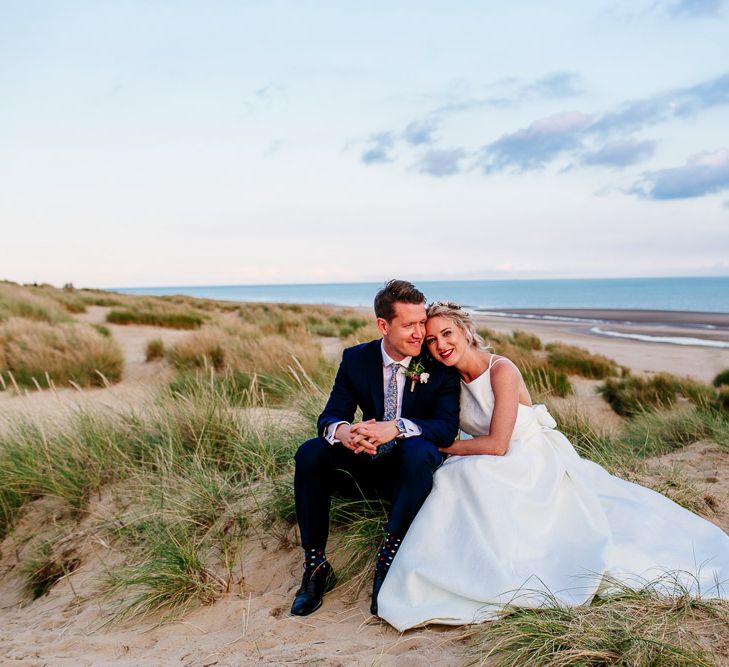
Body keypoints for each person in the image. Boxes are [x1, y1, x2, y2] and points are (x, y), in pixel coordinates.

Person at [377, 301, 729, 631]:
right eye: (433, 339)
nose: (440, 345)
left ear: (465, 332)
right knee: (452, 478)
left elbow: (499, 444)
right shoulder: (445, 378)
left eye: (447, 334)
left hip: (527, 453)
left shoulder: (501, 369)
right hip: (485, 453)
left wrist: (439, 444)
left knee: (470, 475)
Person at [290, 280, 460, 617]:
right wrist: (346, 433)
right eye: (409, 325)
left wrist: (395, 428)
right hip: (365, 463)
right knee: (309, 452)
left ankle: (389, 558)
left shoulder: (437, 364)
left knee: (420, 450)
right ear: (383, 325)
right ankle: (316, 566)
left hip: (411, 474)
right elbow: (331, 414)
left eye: (421, 322)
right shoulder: (356, 359)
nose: (418, 333)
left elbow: (445, 427)